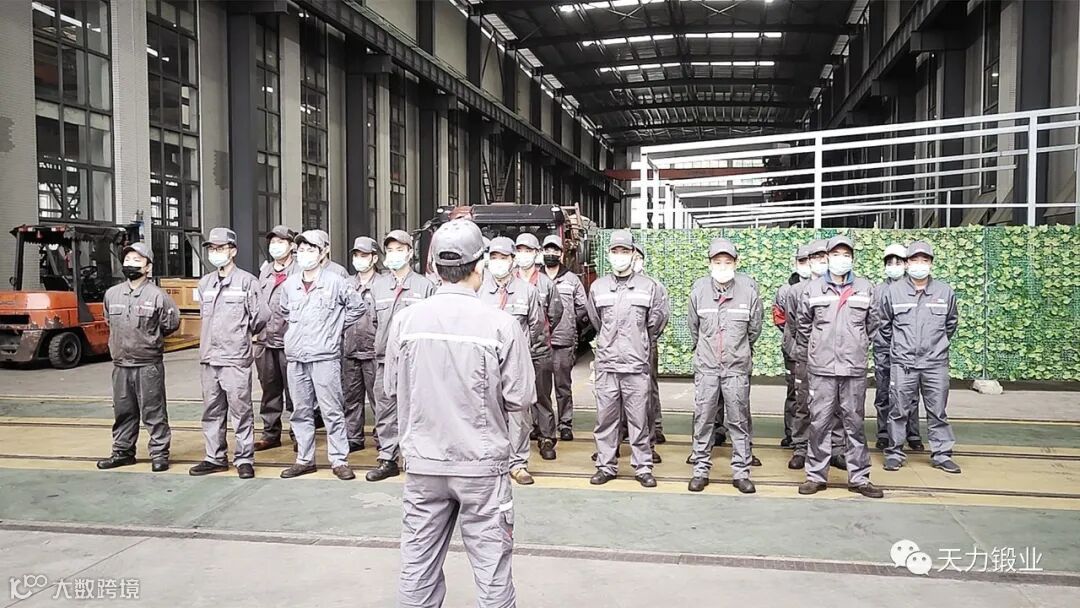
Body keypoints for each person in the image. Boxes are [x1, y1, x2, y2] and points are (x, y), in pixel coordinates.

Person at [386, 219, 533, 608]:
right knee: (492, 571)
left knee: (417, 566)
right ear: (480, 265)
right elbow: (520, 398)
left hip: (423, 464)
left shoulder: (405, 322)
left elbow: (391, 388)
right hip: (481, 469)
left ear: (433, 267)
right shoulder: (501, 325)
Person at [795, 235, 883, 498]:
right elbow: (803, 325)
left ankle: (859, 478)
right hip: (821, 369)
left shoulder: (866, 288)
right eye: (836, 255)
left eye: (846, 255)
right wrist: (816, 350)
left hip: (853, 369)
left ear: (852, 259)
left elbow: (873, 324)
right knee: (819, 422)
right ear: (828, 257)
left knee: (854, 423)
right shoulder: (813, 289)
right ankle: (815, 476)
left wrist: (857, 344)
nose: (841, 259)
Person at [278, 230, 365, 480]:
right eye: (301, 250)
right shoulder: (290, 284)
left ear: (323, 252)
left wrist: (334, 328)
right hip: (296, 357)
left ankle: (339, 460)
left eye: (311, 250)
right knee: (300, 411)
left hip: (325, 357)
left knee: (332, 411)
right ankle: (304, 459)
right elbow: (285, 312)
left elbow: (358, 307)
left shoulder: (336, 281)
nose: (305, 255)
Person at [587, 230, 668, 488]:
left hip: (636, 365)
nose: (620, 256)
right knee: (606, 420)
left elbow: (655, 323)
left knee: (639, 420)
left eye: (625, 251)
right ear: (608, 254)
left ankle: (643, 467)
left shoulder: (649, 287)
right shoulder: (598, 287)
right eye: (615, 251)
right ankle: (605, 466)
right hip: (608, 365)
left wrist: (638, 343)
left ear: (633, 254)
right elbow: (596, 321)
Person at [686, 238, 763, 494]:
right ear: (709, 263)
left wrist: (736, 351)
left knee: (738, 421)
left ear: (735, 263)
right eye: (717, 262)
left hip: (736, 369)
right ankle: (700, 470)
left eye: (727, 262)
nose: (722, 266)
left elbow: (754, 330)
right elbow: (694, 328)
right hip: (707, 368)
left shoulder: (749, 293)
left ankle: (741, 473)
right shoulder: (698, 292)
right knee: (704, 419)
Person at [189, 228, 267, 478]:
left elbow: (261, 316)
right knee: (211, 410)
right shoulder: (205, 283)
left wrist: (240, 335)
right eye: (212, 249)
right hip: (209, 358)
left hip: (235, 358)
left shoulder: (247, 282)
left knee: (240, 410)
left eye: (220, 248)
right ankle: (214, 457)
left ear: (233, 251)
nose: (216, 253)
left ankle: (244, 458)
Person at [96, 243, 180, 472]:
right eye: (128, 260)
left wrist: (148, 340)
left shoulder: (158, 296)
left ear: (148, 267)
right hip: (121, 365)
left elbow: (171, 323)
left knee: (154, 412)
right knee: (123, 411)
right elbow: (109, 321)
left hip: (147, 365)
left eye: (137, 260)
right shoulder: (112, 294)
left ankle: (159, 454)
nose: (131, 264)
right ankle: (123, 452)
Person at [880, 241, 961, 474]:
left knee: (938, 411)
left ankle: (942, 454)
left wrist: (935, 346)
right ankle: (895, 453)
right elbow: (884, 326)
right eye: (914, 260)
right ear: (907, 264)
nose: (919, 265)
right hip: (903, 363)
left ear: (931, 264)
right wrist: (900, 348)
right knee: (898, 410)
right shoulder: (893, 292)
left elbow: (950, 323)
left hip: (935, 364)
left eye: (924, 260)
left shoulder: (944, 292)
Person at [367, 230, 437, 482]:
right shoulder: (378, 286)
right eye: (390, 250)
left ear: (410, 253)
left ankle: (418, 458)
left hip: (416, 362)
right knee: (385, 410)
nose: (394, 254)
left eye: (400, 249)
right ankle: (388, 458)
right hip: (385, 360)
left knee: (418, 409)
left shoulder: (425, 286)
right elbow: (374, 321)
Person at [480, 237, 546, 484]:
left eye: (503, 257)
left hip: (517, 363)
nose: (498, 262)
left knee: (519, 413)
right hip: (485, 363)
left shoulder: (527, 291)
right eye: (494, 257)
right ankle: (491, 460)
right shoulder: (479, 291)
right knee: (487, 411)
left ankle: (518, 464)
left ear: (512, 260)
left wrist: (522, 351)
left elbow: (537, 326)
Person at [786, 239, 845, 471]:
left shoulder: (840, 289)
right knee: (803, 403)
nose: (820, 261)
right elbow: (793, 324)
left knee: (835, 404)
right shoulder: (795, 291)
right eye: (815, 257)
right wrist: (803, 350)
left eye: (824, 257)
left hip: (834, 358)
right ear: (808, 261)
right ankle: (801, 448)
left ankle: (836, 449)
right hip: (805, 357)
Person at [514, 233, 564, 458]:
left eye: (528, 251)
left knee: (542, 395)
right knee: (514, 396)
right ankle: (517, 438)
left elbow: (555, 313)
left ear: (536, 254)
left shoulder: (546, 284)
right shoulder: (509, 283)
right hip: (513, 352)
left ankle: (546, 437)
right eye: (520, 251)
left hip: (539, 351)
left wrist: (541, 336)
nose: (523, 255)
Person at [872, 243, 923, 451]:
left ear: (906, 264)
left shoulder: (915, 289)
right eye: (890, 262)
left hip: (907, 352)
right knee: (884, 392)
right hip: (883, 349)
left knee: (910, 393)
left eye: (898, 262)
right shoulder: (878, 290)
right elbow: (874, 321)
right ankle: (884, 433)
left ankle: (912, 433)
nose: (894, 266)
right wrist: (882, 344)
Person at [254, 225, 299, 452]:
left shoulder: (300, 272)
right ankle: (270, 434)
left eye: (281, 242)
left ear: (291, 246)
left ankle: (299, 435)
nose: (275, 246)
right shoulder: (265, 272)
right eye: (272, 242)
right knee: (269, 390)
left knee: (296, 392)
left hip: (290, 342)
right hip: (265, 341)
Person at [542, 235, 589, 441]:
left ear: (561, 254)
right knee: (540, 388)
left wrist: (570, 323)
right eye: (547, 250)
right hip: (540, 343)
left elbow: (583, 307)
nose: (551, 254)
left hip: (563, 341)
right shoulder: (537, 279)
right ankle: (541, 425)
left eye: (555, 250)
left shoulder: (572, 280)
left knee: (563, 386)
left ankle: (565, 424)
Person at [342, 236, 382, 454]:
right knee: (350, 397)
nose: (359, 259)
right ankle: (353, 437)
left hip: (374, 351)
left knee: (379, 399)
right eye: (356, 255)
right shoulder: (346, 284)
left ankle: (383, 438)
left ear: (374, 258)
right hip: (349, 349)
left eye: (364, 255)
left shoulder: (383, 284)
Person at [632, 244, 670, 458]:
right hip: (617, 348)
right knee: (616, 393)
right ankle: (619, 435)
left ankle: (653, 430)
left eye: (636, 256)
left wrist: (645, 338)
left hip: (646, 344)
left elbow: (661, 316)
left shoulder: (653, 286)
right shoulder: (609, 285)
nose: (632, 260)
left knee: (647, 389)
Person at [773, 245, 811, 448]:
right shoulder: (785, 290)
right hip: (793, 350)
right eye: (802, 261)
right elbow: (780, 318)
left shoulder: (823, 287)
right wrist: (794, 337)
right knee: (794, 393)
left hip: (819, 352)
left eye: (809, 260)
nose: (806, 265)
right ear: (795, 263)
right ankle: (792, 435)